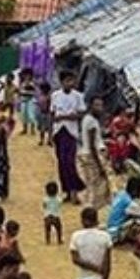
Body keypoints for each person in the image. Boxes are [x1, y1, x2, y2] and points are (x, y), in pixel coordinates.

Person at [50, 71, 87, 203]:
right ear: (62, 82)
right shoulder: (55, 95)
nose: (70, 83)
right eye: (67, 81)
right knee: (61, 163)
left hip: (71, 132)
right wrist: (50, 133)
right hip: (58, 132)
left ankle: (75, 191)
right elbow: (52, 115)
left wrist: (65, 117)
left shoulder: (78, 96)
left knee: (69, 162)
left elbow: (81, 114)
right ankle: (66, 190)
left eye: (72, 81)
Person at [70, 206, 112, 279]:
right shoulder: (105, 237)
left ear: (83, 220)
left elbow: (75, 259)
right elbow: (108, 264)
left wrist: (95, 268)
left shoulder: (76, 236)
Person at [78, 96, 110, 210]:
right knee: (97, 187)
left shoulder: (87, 119)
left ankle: (89, 208)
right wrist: (100, 165)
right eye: (97, 105)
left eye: (101, 105)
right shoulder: (91, 121)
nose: (100, 108)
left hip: (86, 154)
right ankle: (92, 209)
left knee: (90, 184)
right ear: (91, 106)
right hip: (92, 156)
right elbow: (92, 145)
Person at [107, 176, 140, 243]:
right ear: (135, 190)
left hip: (111, 227)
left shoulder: (121, 194)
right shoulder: (129, 203)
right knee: (139, 220)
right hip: (115, 233)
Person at [18, 69, 38, 135]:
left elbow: (33, 93)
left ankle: (32, 129)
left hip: (30, 101)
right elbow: (20, 92)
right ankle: (25, 129)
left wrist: (24, 92)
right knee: (24, 115)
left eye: (28, 75)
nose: (26, 76)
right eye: (25, 75)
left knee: (31, 115)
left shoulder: (32, 83)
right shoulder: (22, 83)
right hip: (23, 101)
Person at [36, 81, 53, 146]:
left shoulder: (49, 96)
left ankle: (49, 140)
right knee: (42, 128)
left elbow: (50, 105)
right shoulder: (41, 95)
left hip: (47, 113)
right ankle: (43, 140)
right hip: (42, 113)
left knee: (49, 128)